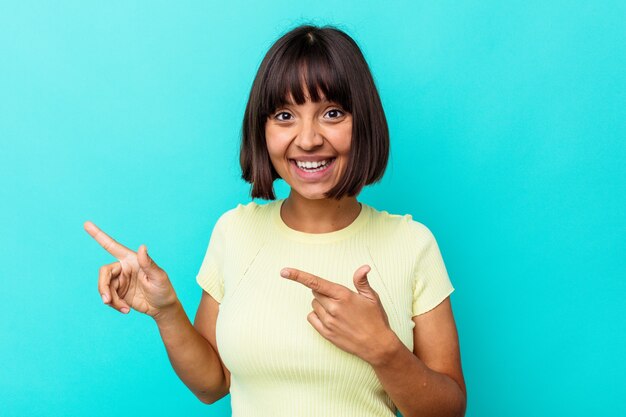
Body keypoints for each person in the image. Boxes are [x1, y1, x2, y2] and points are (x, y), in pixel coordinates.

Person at [84, 24, 466, 417]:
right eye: (285, 115)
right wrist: (167, 312)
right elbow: (213, 384)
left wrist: (382, 348)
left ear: (363, 121)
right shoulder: (235, 231)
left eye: (332, 113)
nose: (308, 139)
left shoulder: (411, 243)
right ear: (262, 130)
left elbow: (449, 411)